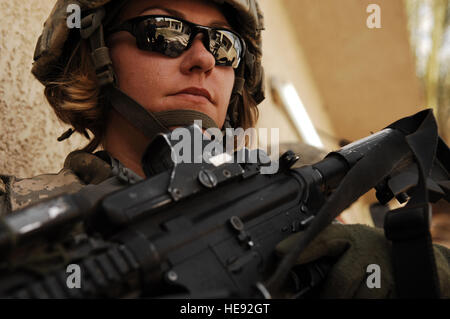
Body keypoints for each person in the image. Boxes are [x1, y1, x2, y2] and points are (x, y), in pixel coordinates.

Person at [0, 0, 449, 298]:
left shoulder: (293, 187)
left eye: (223, 43)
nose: (205, 59)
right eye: (165, 30)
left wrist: (411, 270)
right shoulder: (19, 221)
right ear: (94, 56)